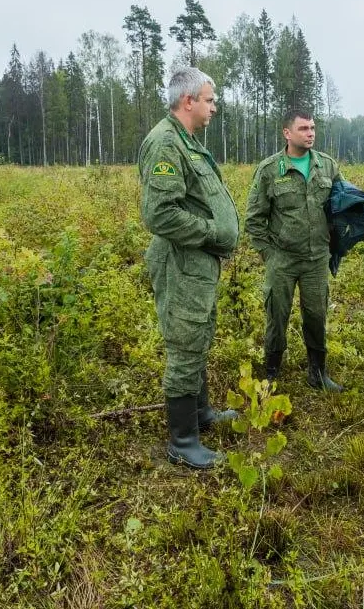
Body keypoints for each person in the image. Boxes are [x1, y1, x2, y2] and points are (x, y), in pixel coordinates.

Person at [137, 68, 240, 470]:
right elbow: (160, 214)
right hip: (182, 262)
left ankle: (201, 414)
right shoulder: (165, 143)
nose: (214, 107)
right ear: (188, 101)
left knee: (198, 334)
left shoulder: (187, 142)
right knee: (184, 342)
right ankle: (182, 440)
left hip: (198, 262)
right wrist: (214, 232)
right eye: (210, 100)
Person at [246, 109, 345, 392]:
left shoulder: (327, 167)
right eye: (303, 128)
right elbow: (254, 218)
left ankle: (318, 373)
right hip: (282, 259)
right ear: (287, 133)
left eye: (313, 128)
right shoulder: (269, 170)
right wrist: (269, 254)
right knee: (276, 316)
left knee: (316, 315)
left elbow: (340, 208)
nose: (311, 133)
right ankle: (272, 373)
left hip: (316, 259)